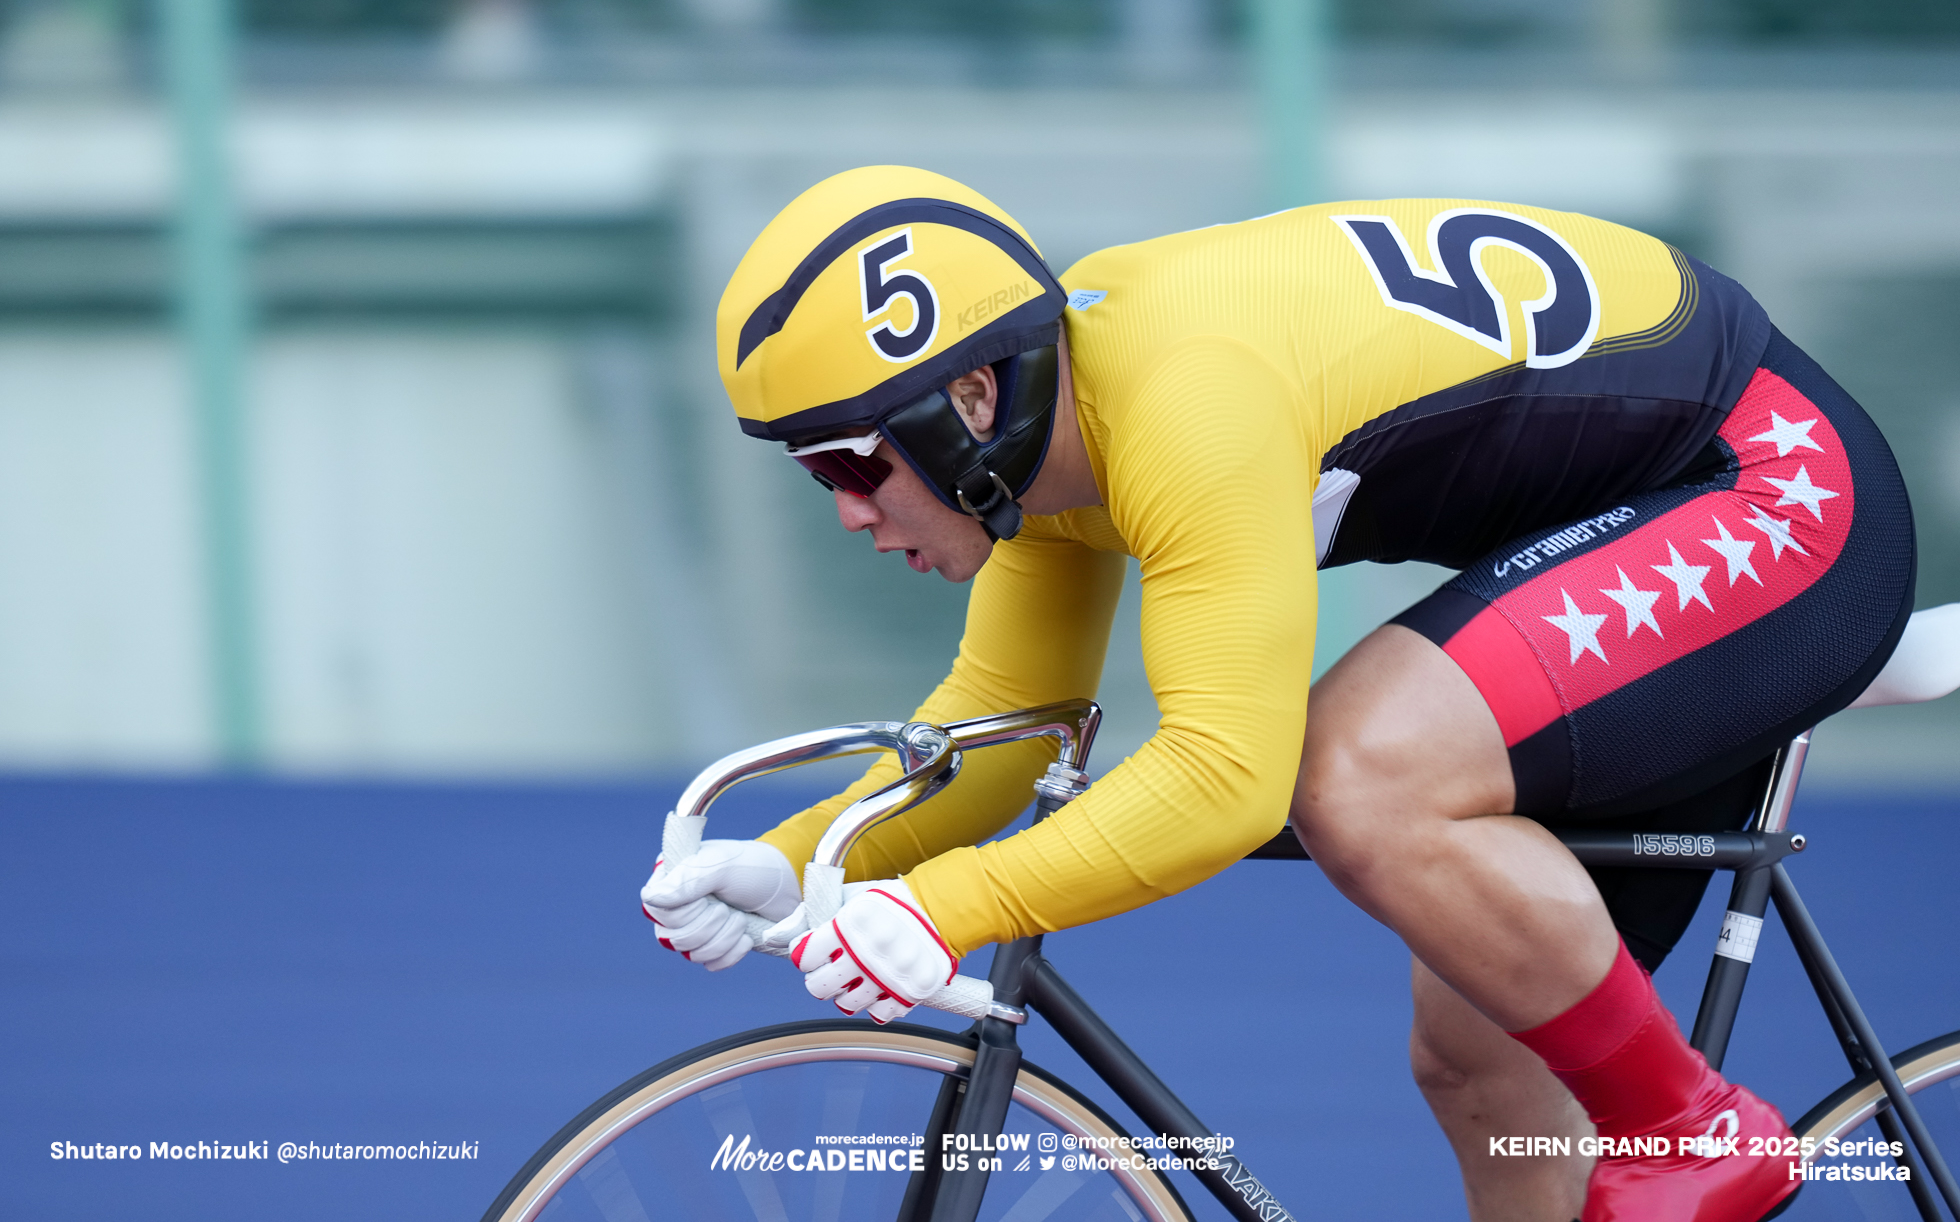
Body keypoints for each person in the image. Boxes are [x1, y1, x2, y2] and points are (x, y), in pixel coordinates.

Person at [639, 166, 1915, 1221]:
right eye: (817, 476)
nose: (852, 512)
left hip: (1774, 486)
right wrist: (809, 859)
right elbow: (1005, 728)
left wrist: (947, 903)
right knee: (1483, 1055)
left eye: (858, 461)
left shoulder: (1182, 401)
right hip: (1640, 507)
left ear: (970, 395)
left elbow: (1224, 775)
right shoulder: (1040, 451)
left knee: (1353, 771)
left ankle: (1692, 1123)